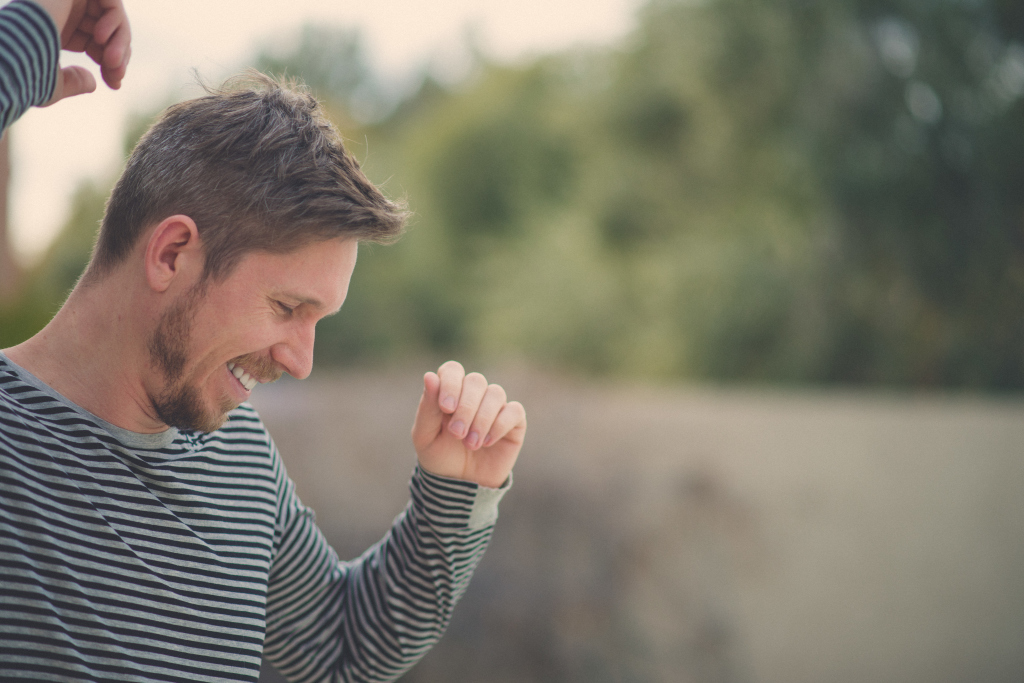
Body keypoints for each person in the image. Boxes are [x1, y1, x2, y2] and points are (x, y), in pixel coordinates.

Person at [0, 1, 527, 681]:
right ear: (172, 253)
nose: (300, 361)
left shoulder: (238, 451)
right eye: (286, 307)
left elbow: (338, 648)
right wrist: (31, 28)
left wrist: (454, 494)